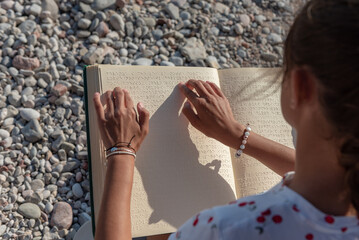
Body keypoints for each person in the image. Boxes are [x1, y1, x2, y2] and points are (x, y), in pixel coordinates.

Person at [92, 0, 359, 239]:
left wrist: (121, 152)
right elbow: (324, 169)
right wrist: (238, 135)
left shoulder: (225, 228)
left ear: (301, 88)